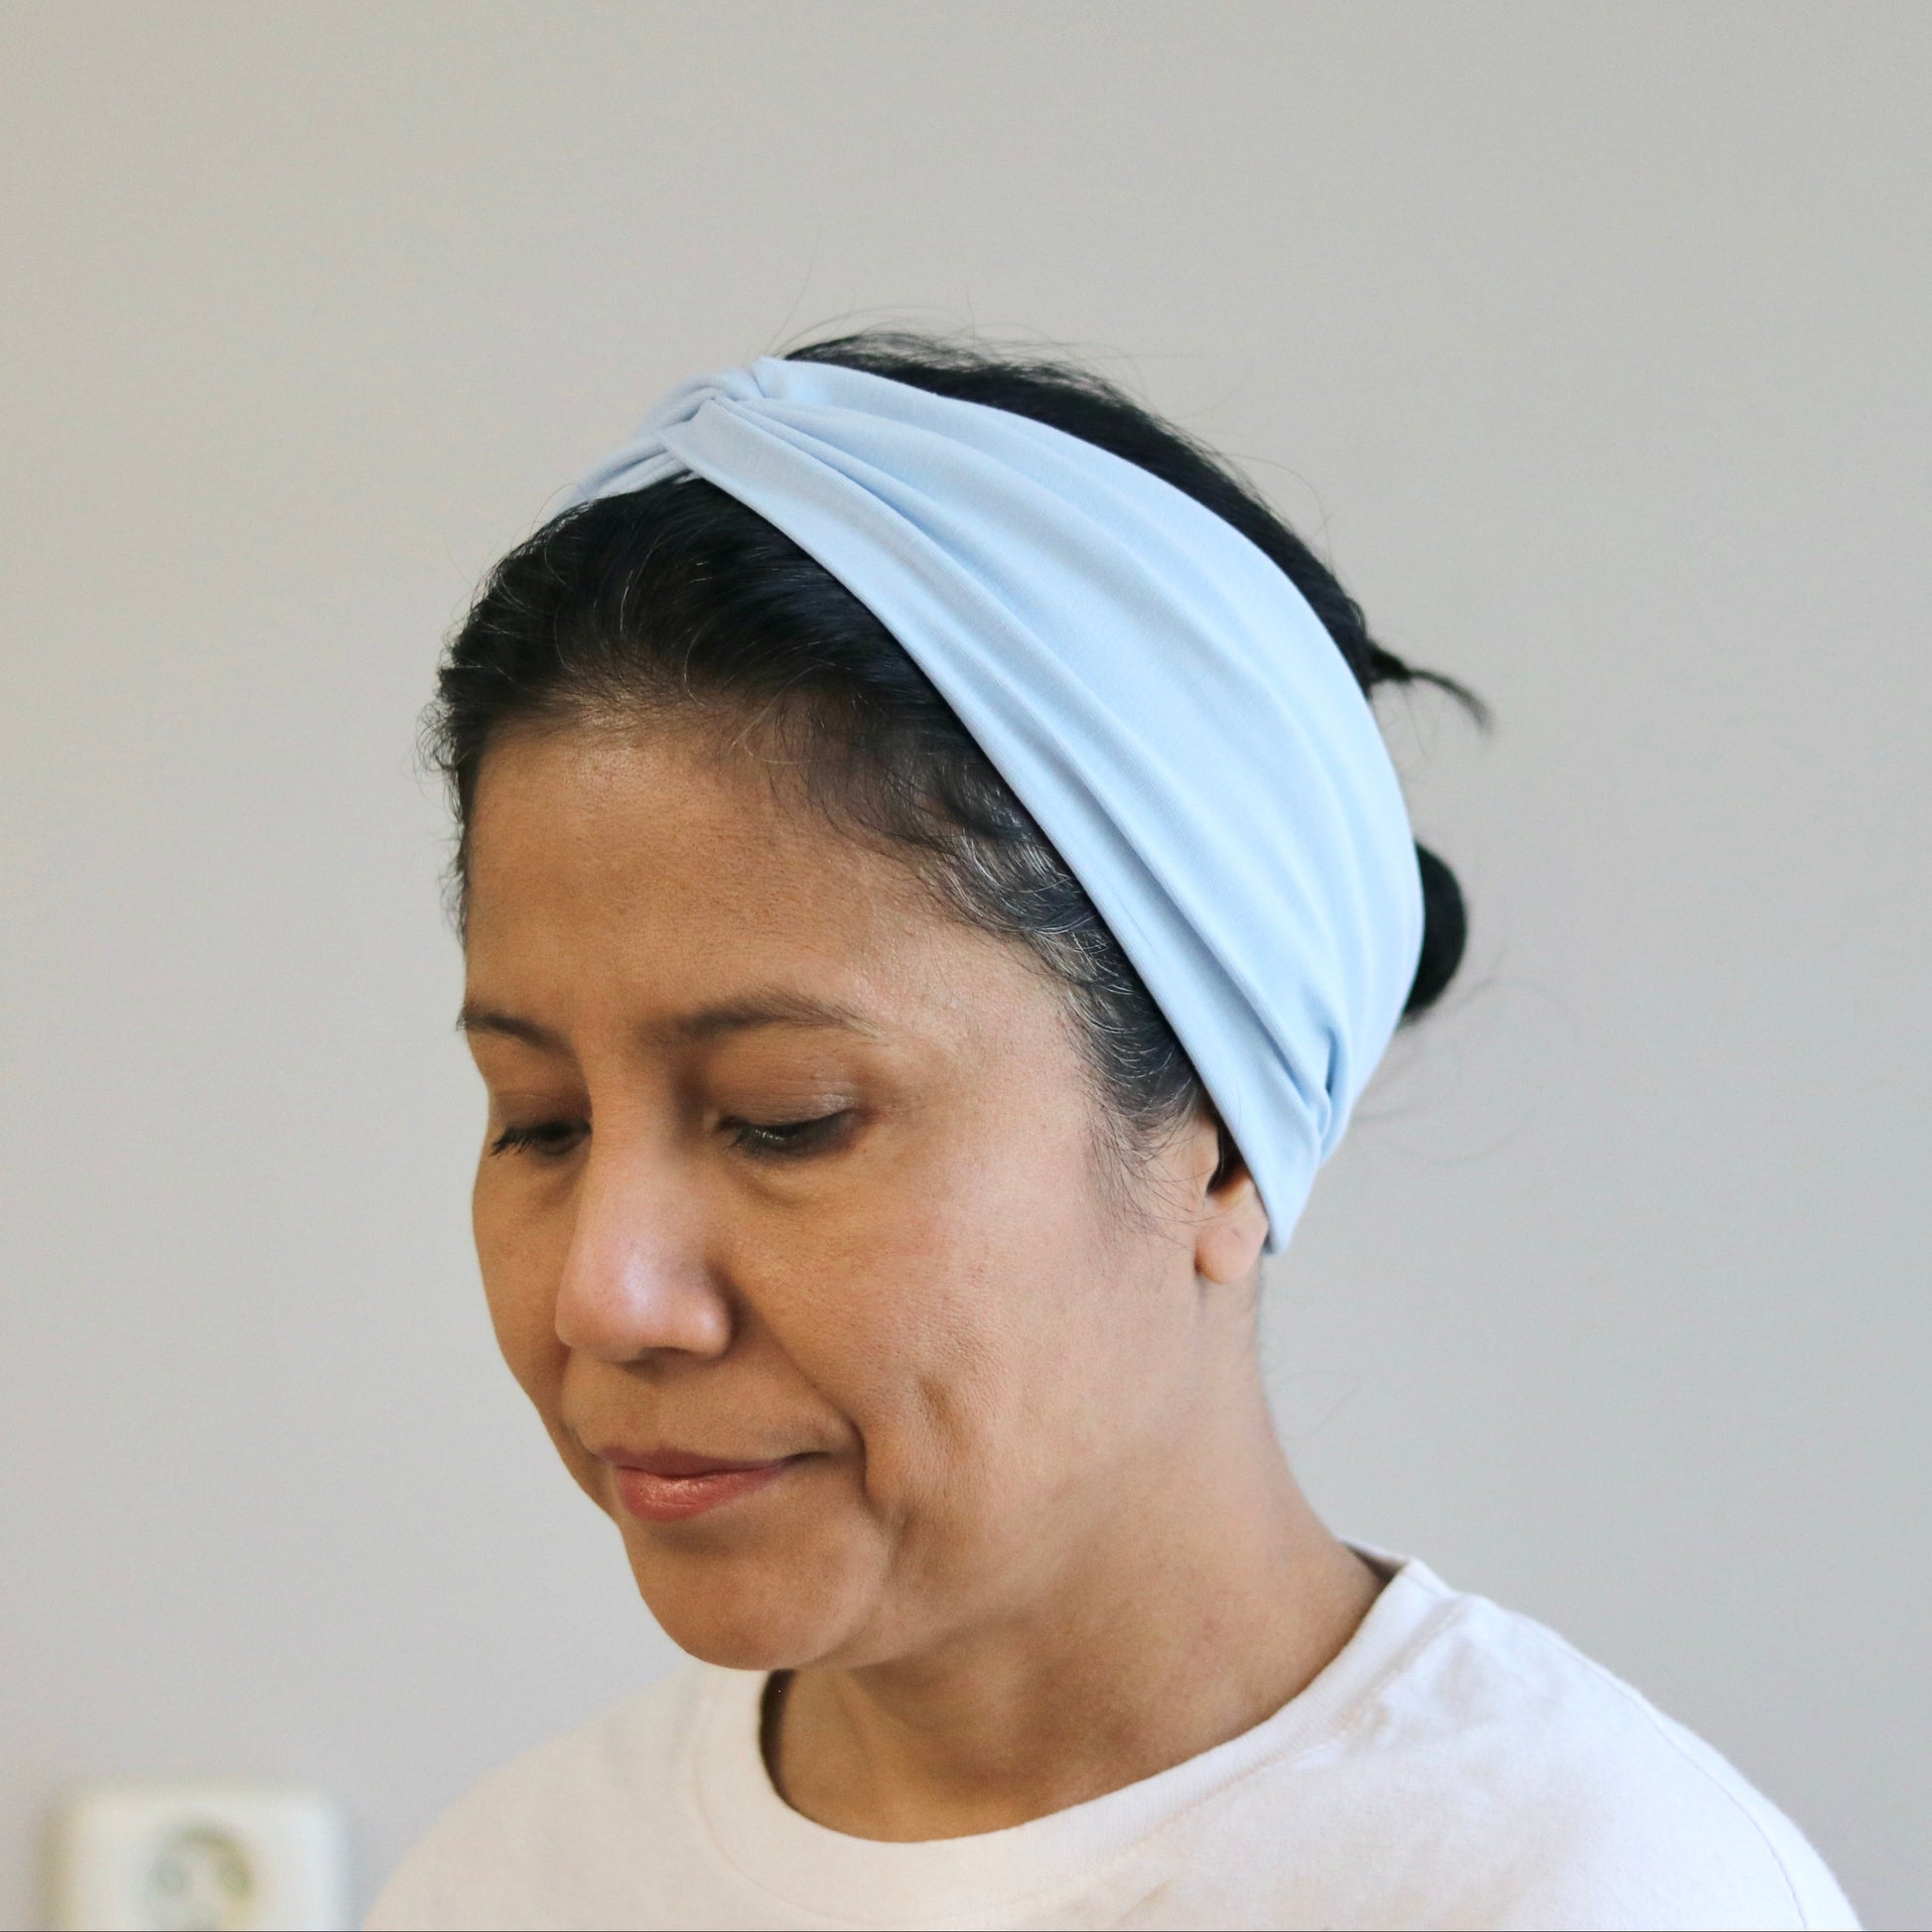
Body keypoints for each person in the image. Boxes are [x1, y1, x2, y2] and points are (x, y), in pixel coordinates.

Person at [367, 334, 1857, 1931]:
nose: (604, 1292)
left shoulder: (1585, 1889)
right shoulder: (513, 1879)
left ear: (1215, 1141)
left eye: (781, 1121)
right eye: (539, 1122)